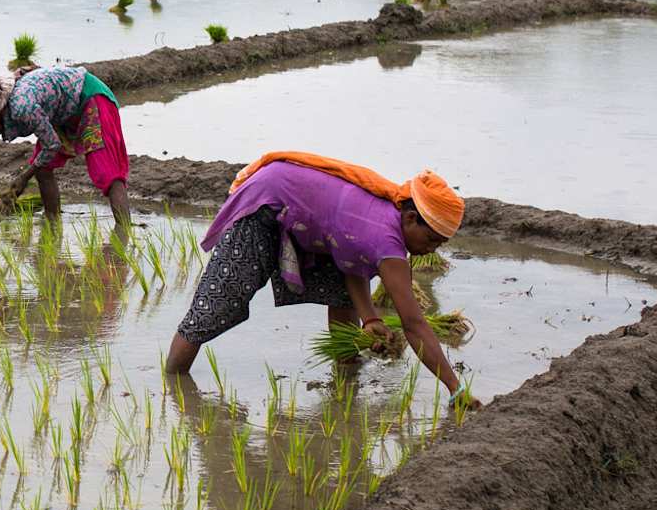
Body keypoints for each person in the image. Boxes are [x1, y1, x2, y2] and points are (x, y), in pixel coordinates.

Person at [163, 152, 470, 403]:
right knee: (217, 303)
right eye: (430, 241)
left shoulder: (386, 219)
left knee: (341, 293)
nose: (428, 250)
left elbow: (351, 263)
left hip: (310, 220)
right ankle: (174, 387)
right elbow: (413, 323)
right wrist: (455, 387)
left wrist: (370, 319)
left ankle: (346, 380)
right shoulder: (387, 241)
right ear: (411, 218)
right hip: (266, 205)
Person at [0, 66, 134, 224]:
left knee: (106, 172)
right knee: (43, 168)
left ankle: (124, 233)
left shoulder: (22, 107)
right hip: (63, 112)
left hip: (90, 98)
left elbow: (52, 145)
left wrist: (22, 179)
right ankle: (52, 224)